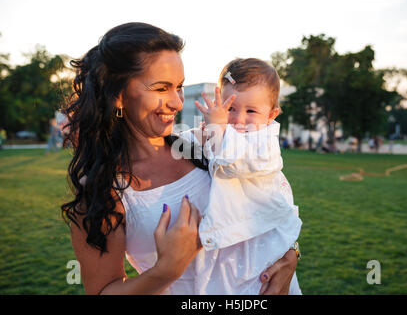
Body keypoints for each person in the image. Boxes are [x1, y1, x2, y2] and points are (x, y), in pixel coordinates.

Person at [61, 22, 299, 295]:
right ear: (119, 95)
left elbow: (269, 194)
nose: (177, 102)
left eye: (179, 86)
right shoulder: (102, 189)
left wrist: (291, 251)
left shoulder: (202, 144)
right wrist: (167, 270)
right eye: (161, 88)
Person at [186, 58, 302, 294]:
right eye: (229, 108)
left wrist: (217, 130)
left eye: (251, 111)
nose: (238, 120)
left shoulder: (264, 144)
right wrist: (186, 138)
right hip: (235, 239)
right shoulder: (220, 133)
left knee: (260, 287)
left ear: (271, 115)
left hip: (262, 240)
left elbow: (237, 163)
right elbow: (188, 143)